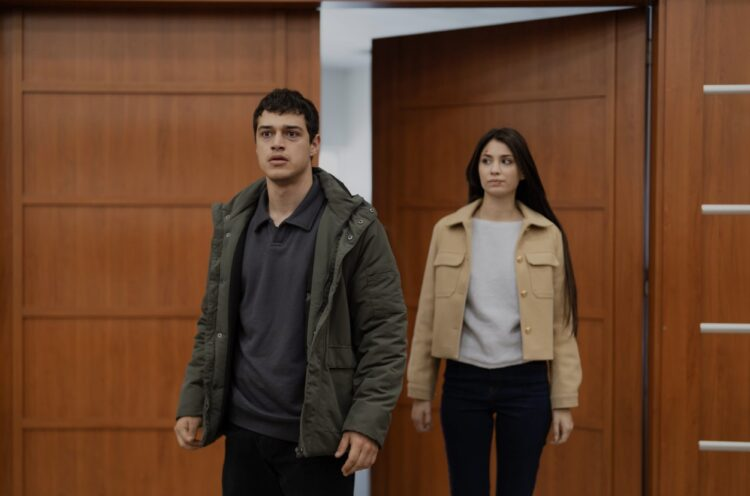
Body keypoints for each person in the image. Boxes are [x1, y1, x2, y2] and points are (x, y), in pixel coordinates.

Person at [174, 88, 407, 496]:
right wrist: (194, 400)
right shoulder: (234, 223)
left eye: (291, 133)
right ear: (256, 144)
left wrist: (366, 422)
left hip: (318, 437)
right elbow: (212, 322)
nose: (277, 143)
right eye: (266, 133)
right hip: (244, 433)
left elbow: (385, 332)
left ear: (314, 145)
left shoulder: (355, 227)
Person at [406, 128, 582, 496]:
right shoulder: (447, 230)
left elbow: (561, 325)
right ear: (477, 169)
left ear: (523, 171)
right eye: (487, 161)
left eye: (506, 161)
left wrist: (563, 402)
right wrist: (421, 391)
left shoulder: (546, 233)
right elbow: (428, 315)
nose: (495, 170)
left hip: (527, 383)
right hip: (463, 380)